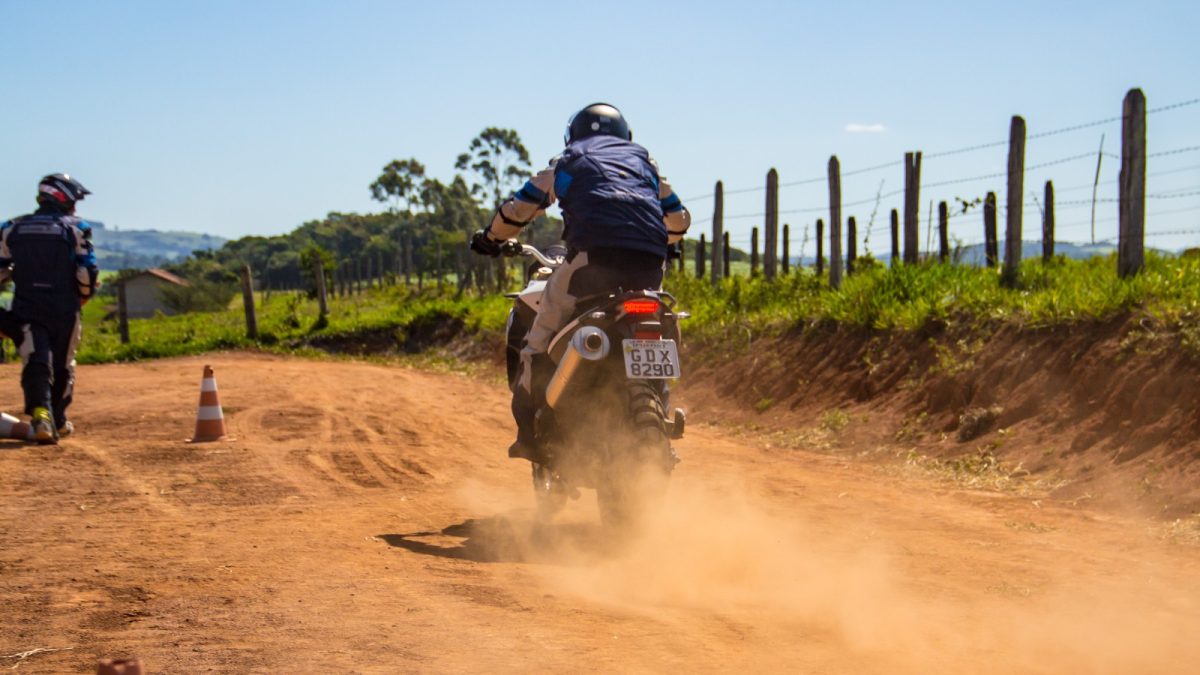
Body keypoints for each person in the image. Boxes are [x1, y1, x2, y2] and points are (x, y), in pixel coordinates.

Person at [470, 103, 691, 461]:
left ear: (574, 135)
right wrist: (654, 239)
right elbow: (679, 222)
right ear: (625, 136)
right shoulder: (645, 164)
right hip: (650, 265)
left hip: (591, 260)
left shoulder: (568, 161)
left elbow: (518, 210)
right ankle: (658, 410)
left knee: (536, 342)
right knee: (657, 328)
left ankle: (530, 431)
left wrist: (490, 238)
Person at [0, 174, 99, 444]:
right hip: (65, 308)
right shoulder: (77, 227)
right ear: (63, 197)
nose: (76, 207)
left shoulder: (12, 227)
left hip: (26, 308)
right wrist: (85, 295)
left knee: (36, 360)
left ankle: (41, 415)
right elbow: (87, 272)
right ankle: (56, 418)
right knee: (63, 363)